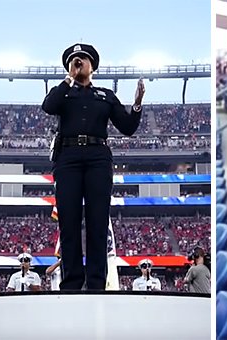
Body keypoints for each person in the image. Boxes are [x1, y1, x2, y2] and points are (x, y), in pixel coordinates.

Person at [41, 43, 145, 290]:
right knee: (69, 221)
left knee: (98, 221)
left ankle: (97, 283)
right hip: (68, 158)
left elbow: (128, 127)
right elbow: (48, 106)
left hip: (98, 157)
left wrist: (137, 105)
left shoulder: (106, 95)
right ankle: (72, 282)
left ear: (93, 66)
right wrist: (69, 79)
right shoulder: (63, 92)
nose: (78, 62)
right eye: (74, 59)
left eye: (83, 58)